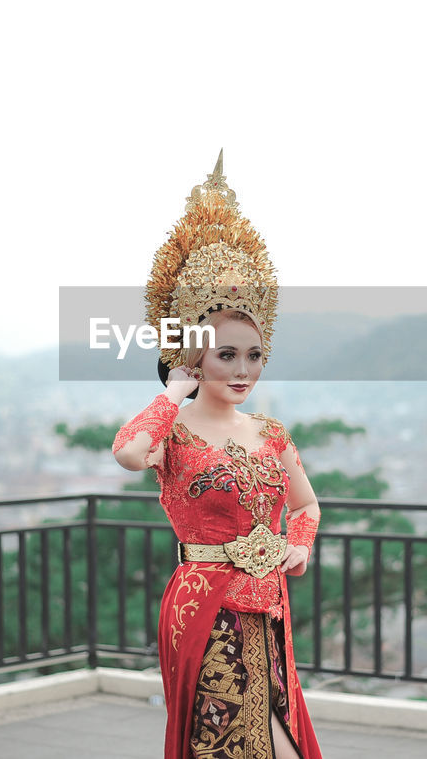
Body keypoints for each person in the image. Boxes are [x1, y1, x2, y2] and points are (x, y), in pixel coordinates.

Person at [112, 152, 324, 758]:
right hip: (203, 604)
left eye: (253, 355)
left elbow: (307, 504)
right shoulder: (171, 435)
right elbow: (128, 453)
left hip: (267, 605)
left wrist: (300, 544)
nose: (243, 370)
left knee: (276, 730)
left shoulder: (272, 432)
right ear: (195, 356)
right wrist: (172, 393)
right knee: (224, 740)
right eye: (225, 355)